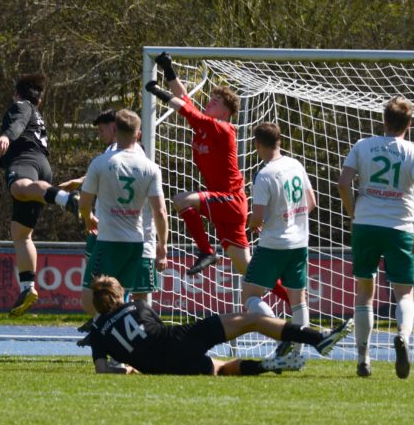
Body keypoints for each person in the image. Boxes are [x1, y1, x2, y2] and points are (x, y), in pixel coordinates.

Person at [145, 52, 290, 307]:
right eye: (209, 100)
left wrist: (157, 92)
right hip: (225, 205)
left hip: (231, 200)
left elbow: (189, 111)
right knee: (250, 272)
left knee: (181, 200)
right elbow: (184, 99)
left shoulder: (222, 129)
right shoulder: (206, 126)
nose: (209, 103)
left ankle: (206, 251)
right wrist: (167, 68)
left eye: (214, 101)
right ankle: (295, 302)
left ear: (225, 112)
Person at [88, 275, 353, 375]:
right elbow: (152, 333)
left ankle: (267, 366)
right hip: (180, 340)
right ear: (119, 293)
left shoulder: (98, 333)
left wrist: (123, 369)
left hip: (163, 368)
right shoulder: (138, 305)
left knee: (223, 369)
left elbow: (102, 369)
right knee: (253, 320)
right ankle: (318, 338)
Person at [338, 96, 414, 379]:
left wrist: (354, 214)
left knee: (365, 293)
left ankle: (363, 359)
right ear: (409, 124)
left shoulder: (362, 145)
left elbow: (343, 183)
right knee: (404, 292)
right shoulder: (413, 152)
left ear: (384, 120)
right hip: (399, 227)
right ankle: (403, 335)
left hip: (366, 225)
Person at [0, 73, 79, 317]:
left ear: (17, 93)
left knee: (19, 187)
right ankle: (27, 288)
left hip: (28, 162)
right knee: (21, 233)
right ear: (40, 98)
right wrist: (0, 162)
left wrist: (5, 135)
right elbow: (27, 144)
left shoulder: (21, 106)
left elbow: (17, 127)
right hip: (38, 163)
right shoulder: (37, 113)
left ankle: (67, 200)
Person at [78, 109, 168, 316]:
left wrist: (88, 218)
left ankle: (106, 340)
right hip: (135, 244)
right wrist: (162, 244)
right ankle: (126, 340)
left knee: (90, 299)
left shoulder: (101, 163)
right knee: (120, 301)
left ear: (115, 130)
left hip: (108, 241)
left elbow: (84, 203)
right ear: (138, 134)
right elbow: (160, 211)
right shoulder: (150, 167)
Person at [243, 123, 316, 360]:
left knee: (250, 296)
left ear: (257, 145)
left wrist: (252, 225)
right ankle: (298, 353)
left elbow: (258, 217)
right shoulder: (295, 164)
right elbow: (311, 202)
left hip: (274, 244)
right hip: (299, 242)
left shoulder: (264, 175)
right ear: (280, 141)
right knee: (298, 300)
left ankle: (283, 334)